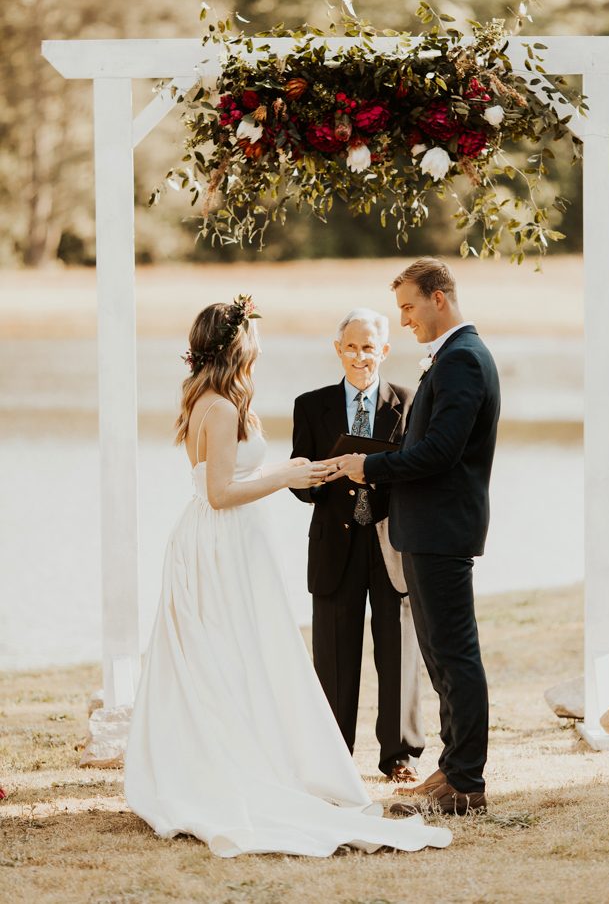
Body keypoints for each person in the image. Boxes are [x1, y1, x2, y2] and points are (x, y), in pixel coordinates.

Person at [124, 294, 450, 858]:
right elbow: (221, 493)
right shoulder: (222, 409)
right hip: (221, 542)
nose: (260, 350)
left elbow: (221, 481)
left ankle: (230, 753)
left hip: (216, 539)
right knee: (229, 653)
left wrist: (292, 469)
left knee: (226, 655)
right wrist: (285, 476)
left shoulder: (208, 398)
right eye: (254, 341)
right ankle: (232, 765)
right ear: (237, 347)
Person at [324, 259, 500, 817]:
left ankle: (467, 783)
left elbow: (441, 452)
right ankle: (451, 767)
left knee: (455, 654)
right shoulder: (451, 358)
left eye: (408, 307)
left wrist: (368, 467)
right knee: (439, 654)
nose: (403, 321)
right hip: (428, 529)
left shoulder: (463, 361)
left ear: (439, 298)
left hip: (442, 530)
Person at [290, 308, 424, 783]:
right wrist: (325, 472)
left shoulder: (409, 401)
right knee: (334, 654)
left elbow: (418, 472)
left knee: (398, 651)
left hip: (391, 543)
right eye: (351, 346)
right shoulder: (310, 405)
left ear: (384, 351)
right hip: (334, 545)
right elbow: (299, 483)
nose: (360, 356)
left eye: (369, 347)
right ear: (337, 349)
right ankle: (333, 754)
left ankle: (399, 756)